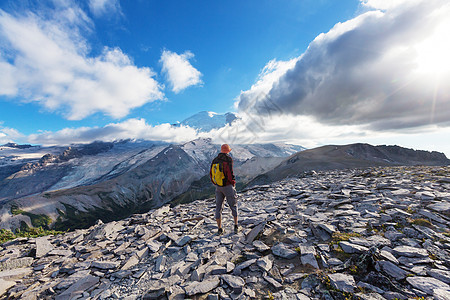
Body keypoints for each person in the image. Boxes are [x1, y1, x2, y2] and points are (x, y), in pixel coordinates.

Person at [210, 144, 239, 235]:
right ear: (228, 151)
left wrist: (216, 183)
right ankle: (236, 226)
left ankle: (219, 229)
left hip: (218, 186)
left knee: (218, 207)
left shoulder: (215, 160)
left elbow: (211, 173)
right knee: (233, 205)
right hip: (227, 186)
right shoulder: (228, 159)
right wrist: (233, 183)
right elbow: (230, 173)